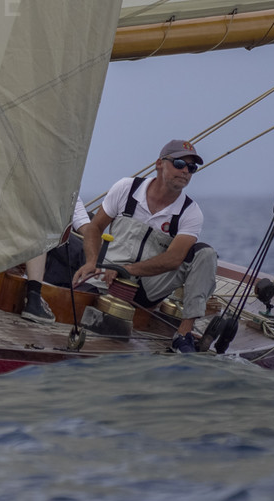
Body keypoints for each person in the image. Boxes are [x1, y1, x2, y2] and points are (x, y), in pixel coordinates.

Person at [72, 139, 218, 353]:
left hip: (149, 288)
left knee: (206, 254)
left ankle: (184, 334)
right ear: (159, 163)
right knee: (73, 296)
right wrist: (92, 262)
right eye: (179, 164)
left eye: (191, 168)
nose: (185, 171)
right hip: (107, 277)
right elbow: (94, 228)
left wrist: (125, 270)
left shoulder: (190, 212)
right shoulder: (126, 188)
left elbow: (174, 259)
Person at [20, 198, 91, 323]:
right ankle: (34, 296)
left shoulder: (70, 193)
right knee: (43, 229)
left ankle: (34, 296)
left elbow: (87, 230)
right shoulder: (66, 190)